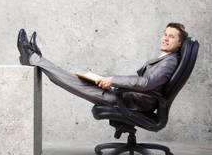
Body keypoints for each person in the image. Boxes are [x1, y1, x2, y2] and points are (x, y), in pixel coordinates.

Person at [17, 23, 188, 112]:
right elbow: (144, 82)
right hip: (127, 95)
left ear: (179, 43)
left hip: (131, 102)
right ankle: (36, 56)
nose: (165, 38)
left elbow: (147, 83)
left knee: (70, 81)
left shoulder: (170, 61)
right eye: (165, 34)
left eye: (171, 37)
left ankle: (33, 57)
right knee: (77, 79)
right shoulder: (167, 58)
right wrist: (111, 82)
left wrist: (113, 81)